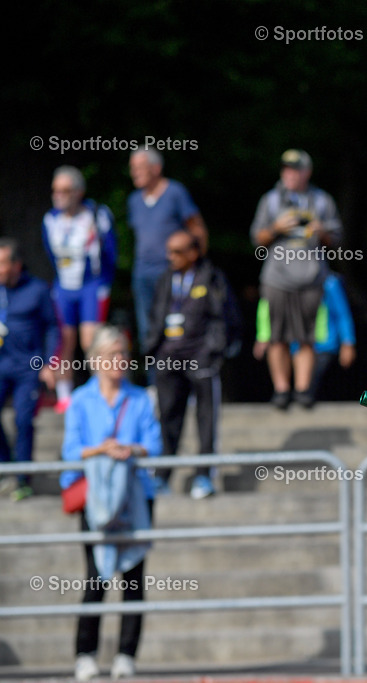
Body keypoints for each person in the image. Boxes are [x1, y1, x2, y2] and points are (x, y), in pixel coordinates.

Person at [60, 326, 161, 681]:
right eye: (112, 355)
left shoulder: (140, 398)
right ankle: (85, 653)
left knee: (133, 579)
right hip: (97, 499)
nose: (120, 360)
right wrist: (101, 450)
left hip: (135, 496)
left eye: (123, 354)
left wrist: (130, 449)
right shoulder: (81, 399)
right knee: (96, 576)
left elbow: (154, 445)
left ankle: (126, 654)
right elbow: (70, 451)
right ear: (96, 360)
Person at [144, 231, 240, 498]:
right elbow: (155, 316)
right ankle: (161, 476)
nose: (170, 257)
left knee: (206, 420)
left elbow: (225, 317)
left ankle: (204, 476)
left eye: (177, 252)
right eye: (168, 251)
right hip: (168, 358)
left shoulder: (211, 278)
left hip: (201, 358)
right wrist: (154, 349)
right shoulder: (165, 279)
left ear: (193, 252)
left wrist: (213, 351)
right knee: (167, 418)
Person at [251, 149, 342, 409]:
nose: (290, 174)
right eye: (286, 169)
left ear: (307, 172)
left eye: (295, 169)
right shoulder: (270, 200)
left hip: (311, 278)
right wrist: (276, 229)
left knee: (307, 336)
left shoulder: (322, 200)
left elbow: (336, 240)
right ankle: (281, 390)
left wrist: (321, 231)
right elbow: (257, 239)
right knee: (276, 336)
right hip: (277, 278)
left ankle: (303, 390)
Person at [42, 166, 117, 413]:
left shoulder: (96, 214)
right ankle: (65, 396)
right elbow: (50, 254)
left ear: (78, 192)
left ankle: (101, 390)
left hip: (91, 285)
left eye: (65, 190)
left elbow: (111, 252)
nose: (59, 196)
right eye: (55, 190)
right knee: (63, 340)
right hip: (64, 285)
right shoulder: (50, 219)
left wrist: (103, 284)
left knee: (90, 340)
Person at [127, 148, 207, 350]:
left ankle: (177, 368)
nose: (134, 172)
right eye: (132, 168)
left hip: (171, 272)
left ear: (156, 168)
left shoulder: (175, 193)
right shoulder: (134, 200)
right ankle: (153, 370)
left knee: (175, 327)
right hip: (142, 273)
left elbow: (197, 229)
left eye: (139, 167)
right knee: (147, 329)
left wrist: (199, 266)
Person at [0, 239, 58, 501]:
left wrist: (48, 363)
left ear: (16, 264)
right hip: (2, 364)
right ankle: (6, 467)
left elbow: (52, 327)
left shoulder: (37, 289)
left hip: (28, 367)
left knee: (23, 420)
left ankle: (23, 478)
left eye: (2, 263)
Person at [254, 271, 356, 402]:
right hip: (293, 346)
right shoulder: (279, 281)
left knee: (310, 392)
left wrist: (347, 342)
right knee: (293, 394)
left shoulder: (328, 282)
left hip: (323, 345)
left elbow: (342, 313)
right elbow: (268, 306)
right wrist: (263, 336)